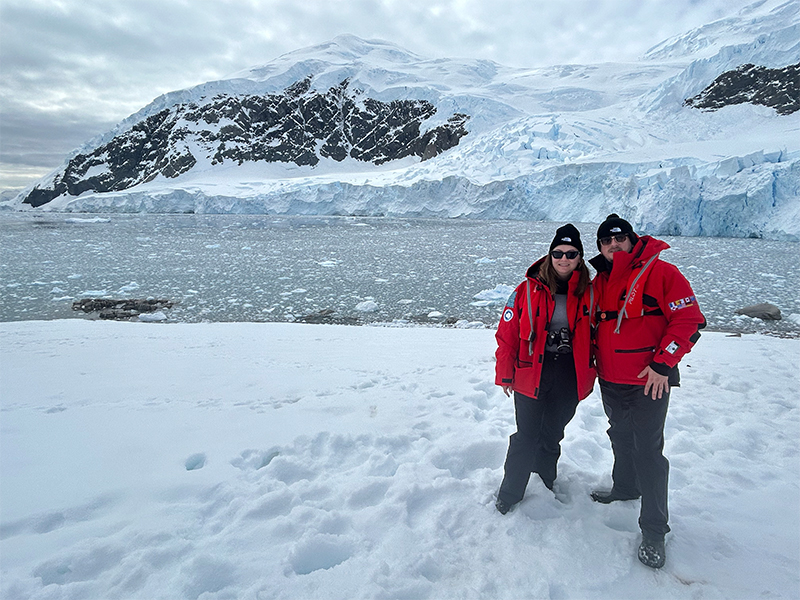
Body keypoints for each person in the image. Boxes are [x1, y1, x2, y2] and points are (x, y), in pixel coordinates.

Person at [588, 214, 705, 569]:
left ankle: (654, 530)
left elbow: (689, 320)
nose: (612, 245)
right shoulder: (599, 281)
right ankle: (625, 487)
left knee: (649, 452)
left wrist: (663, 365)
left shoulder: (662, 273)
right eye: (605, 241)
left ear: (632, 239)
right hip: (611, 380)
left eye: (618, 238)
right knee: (620, 437)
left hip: (649, 382)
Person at [494, 224, 596, 515]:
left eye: (571, 253)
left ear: (580, 257)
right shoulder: (527, 289)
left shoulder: (590, 292)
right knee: (526, 436)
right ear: (550, 255)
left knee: (552, 434)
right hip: (530, 371)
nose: (564, 259)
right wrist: (504, 373)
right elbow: (507, 333)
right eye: (558, 253)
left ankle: (543, 484)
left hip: (569, 373)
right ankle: (510, 493)